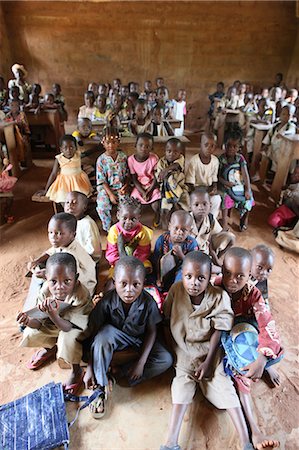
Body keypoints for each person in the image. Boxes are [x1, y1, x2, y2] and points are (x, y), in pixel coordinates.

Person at [161, 251, 256, 450]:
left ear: (210, 279)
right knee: (180, 392)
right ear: (183, 275)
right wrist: (174, 352)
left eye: (200, 278)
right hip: (184, 355)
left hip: (210, 356)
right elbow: (167, 320)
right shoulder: (176, 290)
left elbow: (219, 331)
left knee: (226, 391)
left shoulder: (218, 297)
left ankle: (246, 441)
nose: (194, 283)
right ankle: (170, 442)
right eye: (188, 277)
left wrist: (209, 361)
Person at [82, 256, 173, 418]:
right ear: (114, 281)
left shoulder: (148, 302)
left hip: (138, 341)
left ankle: (120, 373)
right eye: (123, 284)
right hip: (114, 338)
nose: (129, 290)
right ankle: (100, 388)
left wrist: (141, 362)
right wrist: (89, 367)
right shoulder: (107, 301)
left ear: (143, 283)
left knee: (166, 359)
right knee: (104, 335)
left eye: (136, 284)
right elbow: (94, 333)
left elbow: (152, 331)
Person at [215, 247, 281, 449]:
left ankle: (266, 363)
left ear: (248, 273)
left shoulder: (253, 293)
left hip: (244, 331)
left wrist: (261, 359)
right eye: (228, 274)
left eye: (240, 276)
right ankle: (255, 429)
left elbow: (266, 323)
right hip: (221, 336)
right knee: (240, 375)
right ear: (222, 270)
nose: (233, 280)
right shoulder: (214, 286)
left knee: (262, 349)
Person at [17, 253, 93, 394]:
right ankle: (49, 347)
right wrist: (28, 321)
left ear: (76, 279)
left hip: (77, 328)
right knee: (31, 331)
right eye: (53, 281)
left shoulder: (80, 295)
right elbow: (39, 323)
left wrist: (53, 314)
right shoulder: (45, 291)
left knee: (67, 339)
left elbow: (69, 327)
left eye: (67, 281)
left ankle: (76, 370)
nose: (59, 287)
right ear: (46, 278)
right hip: (56, 322)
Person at [26, 212, 97, 298]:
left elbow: (70, 278)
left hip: (83, 288)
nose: (53, 237)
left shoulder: (71, 255)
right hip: (70, 279)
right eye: (50, 232)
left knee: (46, 288)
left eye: (59, 233)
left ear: (73, 235)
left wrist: (47, 275)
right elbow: (51, 251)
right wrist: (36, 261)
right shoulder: (63, 243)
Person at [189, 188, 235, 273]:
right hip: (190, 253)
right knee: (205, 270)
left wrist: (215, 258)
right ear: (190, 206)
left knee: (230, 238)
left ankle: (213, 261)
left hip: (204, 251)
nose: (201, 208)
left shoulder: (210, 218)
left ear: (210, 206)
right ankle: (210, 266)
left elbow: (211, 240)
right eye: (196, 205)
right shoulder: (186, 220)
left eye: (204, 204)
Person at [37, 134, 92, 204]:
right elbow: (53, 174)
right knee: (63, 198)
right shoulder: (59, 159)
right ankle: (67, 212)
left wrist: (97, 147)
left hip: (78, 182)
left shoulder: (78, 155)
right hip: (64, 183)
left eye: (71, 147)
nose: (68, 150)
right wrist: (46, 190)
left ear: (76, 148)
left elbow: (88, 153)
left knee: (81, 198)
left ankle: (78, 212)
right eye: (65, 148)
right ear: (61, 149)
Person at [218, 126, 254, 231]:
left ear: (239, 148)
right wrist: (226, 182)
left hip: (239, 185)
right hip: (225, 186)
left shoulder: (240, 159)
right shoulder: (222, 159)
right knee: (225, 198)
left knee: (249, 199)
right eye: (228, 145)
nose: (231, 148)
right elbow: (218, 176)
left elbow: (245, 175)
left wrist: (247, 189)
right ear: (225, 145)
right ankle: (224, 223)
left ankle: (243, 220)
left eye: (234, 146)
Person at [106, 197, 153, 275]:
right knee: (115, 274)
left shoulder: (143, 232)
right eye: (124, 218)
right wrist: (120, 263)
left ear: (139, 217)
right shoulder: (114, 231)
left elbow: (143, 252)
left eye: (133, 219)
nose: (128, 222)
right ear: (118, 215)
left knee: (147, 268)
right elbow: (111, 253)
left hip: (136, 260)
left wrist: (133, 264)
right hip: (119, 260)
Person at [153, 210, 198, 291]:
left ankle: (175, 290)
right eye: (176, 228)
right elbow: (156, 259)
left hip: (180, 274)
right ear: (169, 226)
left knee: (184, 271)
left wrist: (181, 255)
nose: (179, 232)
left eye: (184, 230)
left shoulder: (192, 243)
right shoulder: (162, 239)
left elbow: (193, 264)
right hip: (162, 272)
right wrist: (158, 278)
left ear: (190, 231)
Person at [96, 126, 129, 231]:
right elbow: (101, 180)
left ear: (118, 142)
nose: (111, 145)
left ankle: (122, 226)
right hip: (106, 189)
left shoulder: (123, 157)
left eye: (114, 142)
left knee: (126, 204)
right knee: (102, 205)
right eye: (108, 142)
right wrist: (110, 194)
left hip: (120, 187)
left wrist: (125, 186)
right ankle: (108, 227)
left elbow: (128, 174)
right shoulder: (101, 160)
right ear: (103, 143)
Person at [128, 132, 161, 226]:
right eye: (141, 145)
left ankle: (157, 216)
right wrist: (143, 192)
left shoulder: (153, 158)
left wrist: (149, 191)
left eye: (147, 146)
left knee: (156, 204)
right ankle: (135, 220)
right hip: (139, 186)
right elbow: (134, 179)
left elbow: (156, 177)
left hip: (152, 185)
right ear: (135, 146)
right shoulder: (131, 160)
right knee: (134, 203)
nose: (143, 148)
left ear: (151, 148)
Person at [156, 138, 189, 229]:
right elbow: (159, 177)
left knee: (182, 208)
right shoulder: (161, 162)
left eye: (175, 152)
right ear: (165, 151)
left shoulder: (181, 159)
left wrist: (166, 170)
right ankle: (165, 228)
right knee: (164, 211)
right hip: (166, 193)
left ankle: (183, 226)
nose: (171, 154)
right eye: (169, 151)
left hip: (180, 190)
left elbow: (177, 165)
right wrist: (165, 174)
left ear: (180, 153)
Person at [186, 133, 221, 218]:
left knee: (217, 199)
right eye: (206, 145)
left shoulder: (215, 161)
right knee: (187, 200)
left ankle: (210, 221)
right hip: (195, 190)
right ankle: (193, 220)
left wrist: (214, 188)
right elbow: (190, 184)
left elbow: (214, 180)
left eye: (212, 146)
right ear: (200, 145)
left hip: (207, 190)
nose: (209, 148)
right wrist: (200, 197)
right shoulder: (194, 161)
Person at [64, 191, 102, 262]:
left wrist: (74, 255)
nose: (70, 205)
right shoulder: (66, 222)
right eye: (67, 202)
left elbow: (93, 251)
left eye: (74, 203)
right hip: (73, 255)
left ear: (84, 208)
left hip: (87, 260)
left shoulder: (87, 223)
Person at [260, 105, 296, 176]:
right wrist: (265, 146)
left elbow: (290, 133)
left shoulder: (291, 126)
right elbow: (269, 136)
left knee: (279, 161)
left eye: (288, 115)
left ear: (291, 116)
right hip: (273, 148)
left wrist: (283, 135)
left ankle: (276, 175)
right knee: (264, 154)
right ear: (280, 115)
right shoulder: (276, 126)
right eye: (283, 114)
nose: (285, 116)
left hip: (283, 150)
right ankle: (264, 174)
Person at [5, 99, 31, 164]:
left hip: (22, 133)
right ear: (9, 106)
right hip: (11, 135)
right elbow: (5, 124)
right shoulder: (8, 115)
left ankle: (23, 159)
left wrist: (18, 124)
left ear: (19, 106)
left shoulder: (22, 114)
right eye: (12, 105)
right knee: (10, 144)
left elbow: (25, 126)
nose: (14, 107)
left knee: (21, 141)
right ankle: (12, 161)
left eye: (16, 105)